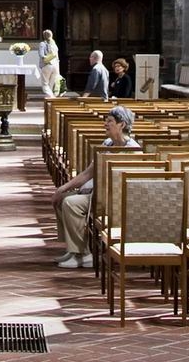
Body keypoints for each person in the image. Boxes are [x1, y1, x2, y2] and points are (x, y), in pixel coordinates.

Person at [52, 106, 141, 269]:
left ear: (122, 124)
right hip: (95, 192)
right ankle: (74, 250)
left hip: (112, 198)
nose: (105, 124)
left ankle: (83, 255)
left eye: (110, 121)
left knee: (71, 204)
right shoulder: (107, 143)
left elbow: (130, 185)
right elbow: (88, 173)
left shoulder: (132, 151)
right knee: (60, 199)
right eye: (106, 121)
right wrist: (63, 188)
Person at [37, 30, 61, 96]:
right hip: (55, 65)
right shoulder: (54, 44)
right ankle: (51, 98)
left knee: (45, 84)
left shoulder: (42, 44)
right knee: (51, 83)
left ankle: (51, 97)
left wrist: (48, 58)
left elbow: (41, 55)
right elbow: (57, 56)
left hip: (47, 64)